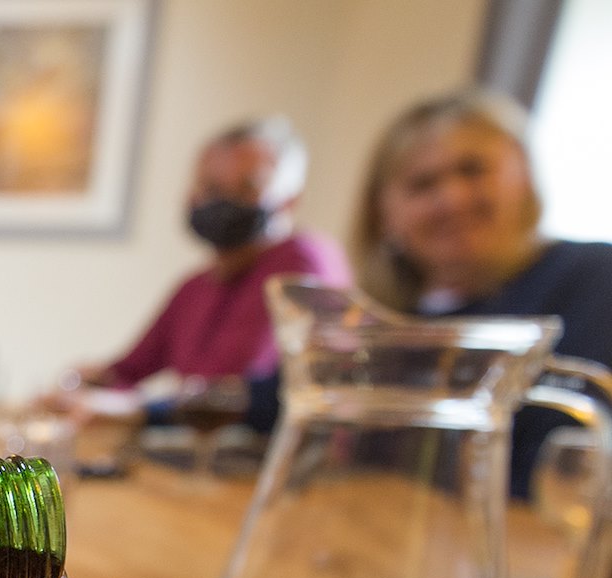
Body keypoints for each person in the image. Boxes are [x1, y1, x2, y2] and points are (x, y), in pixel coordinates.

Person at [349, 87, 612, 498]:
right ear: (384, 213)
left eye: (472, 170)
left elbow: (563, 468)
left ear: (523, 173)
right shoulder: (382, 319)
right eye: (422, 184)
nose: (451, 199)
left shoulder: (592, 280)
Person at [56, 117, 348, 415]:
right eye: (211, 187)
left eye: (247, 187)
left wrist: (132, 408)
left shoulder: (302, 263)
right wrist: (85, 384)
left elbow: (232, 391)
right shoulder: (196, 286)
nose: (222, 201)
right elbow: (128, 370)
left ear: (289, 200)